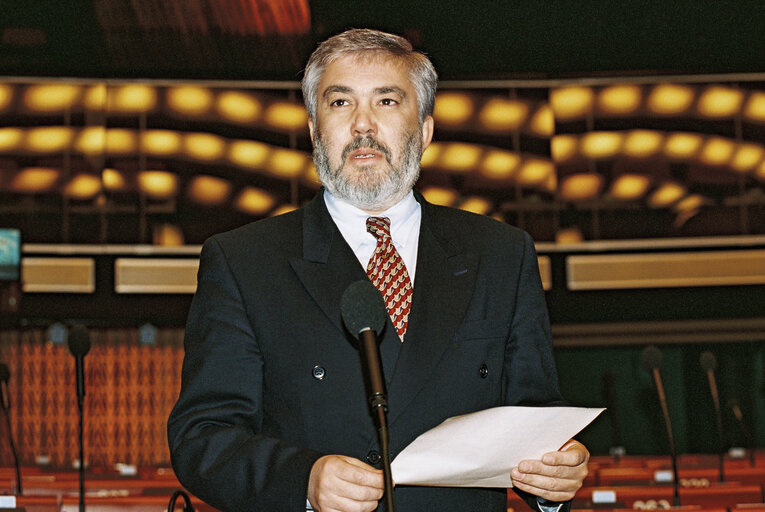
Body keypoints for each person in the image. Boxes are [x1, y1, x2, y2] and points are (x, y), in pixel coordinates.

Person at [167, 28, 589, 512]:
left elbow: (535, 418)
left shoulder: (501, 254)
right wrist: (302, 479)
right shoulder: (243, 261)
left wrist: (555, 476)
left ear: (425, 130)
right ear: (313, 129)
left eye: (387, 102)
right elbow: (202, 437)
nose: (363, 125)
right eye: (340, 103)